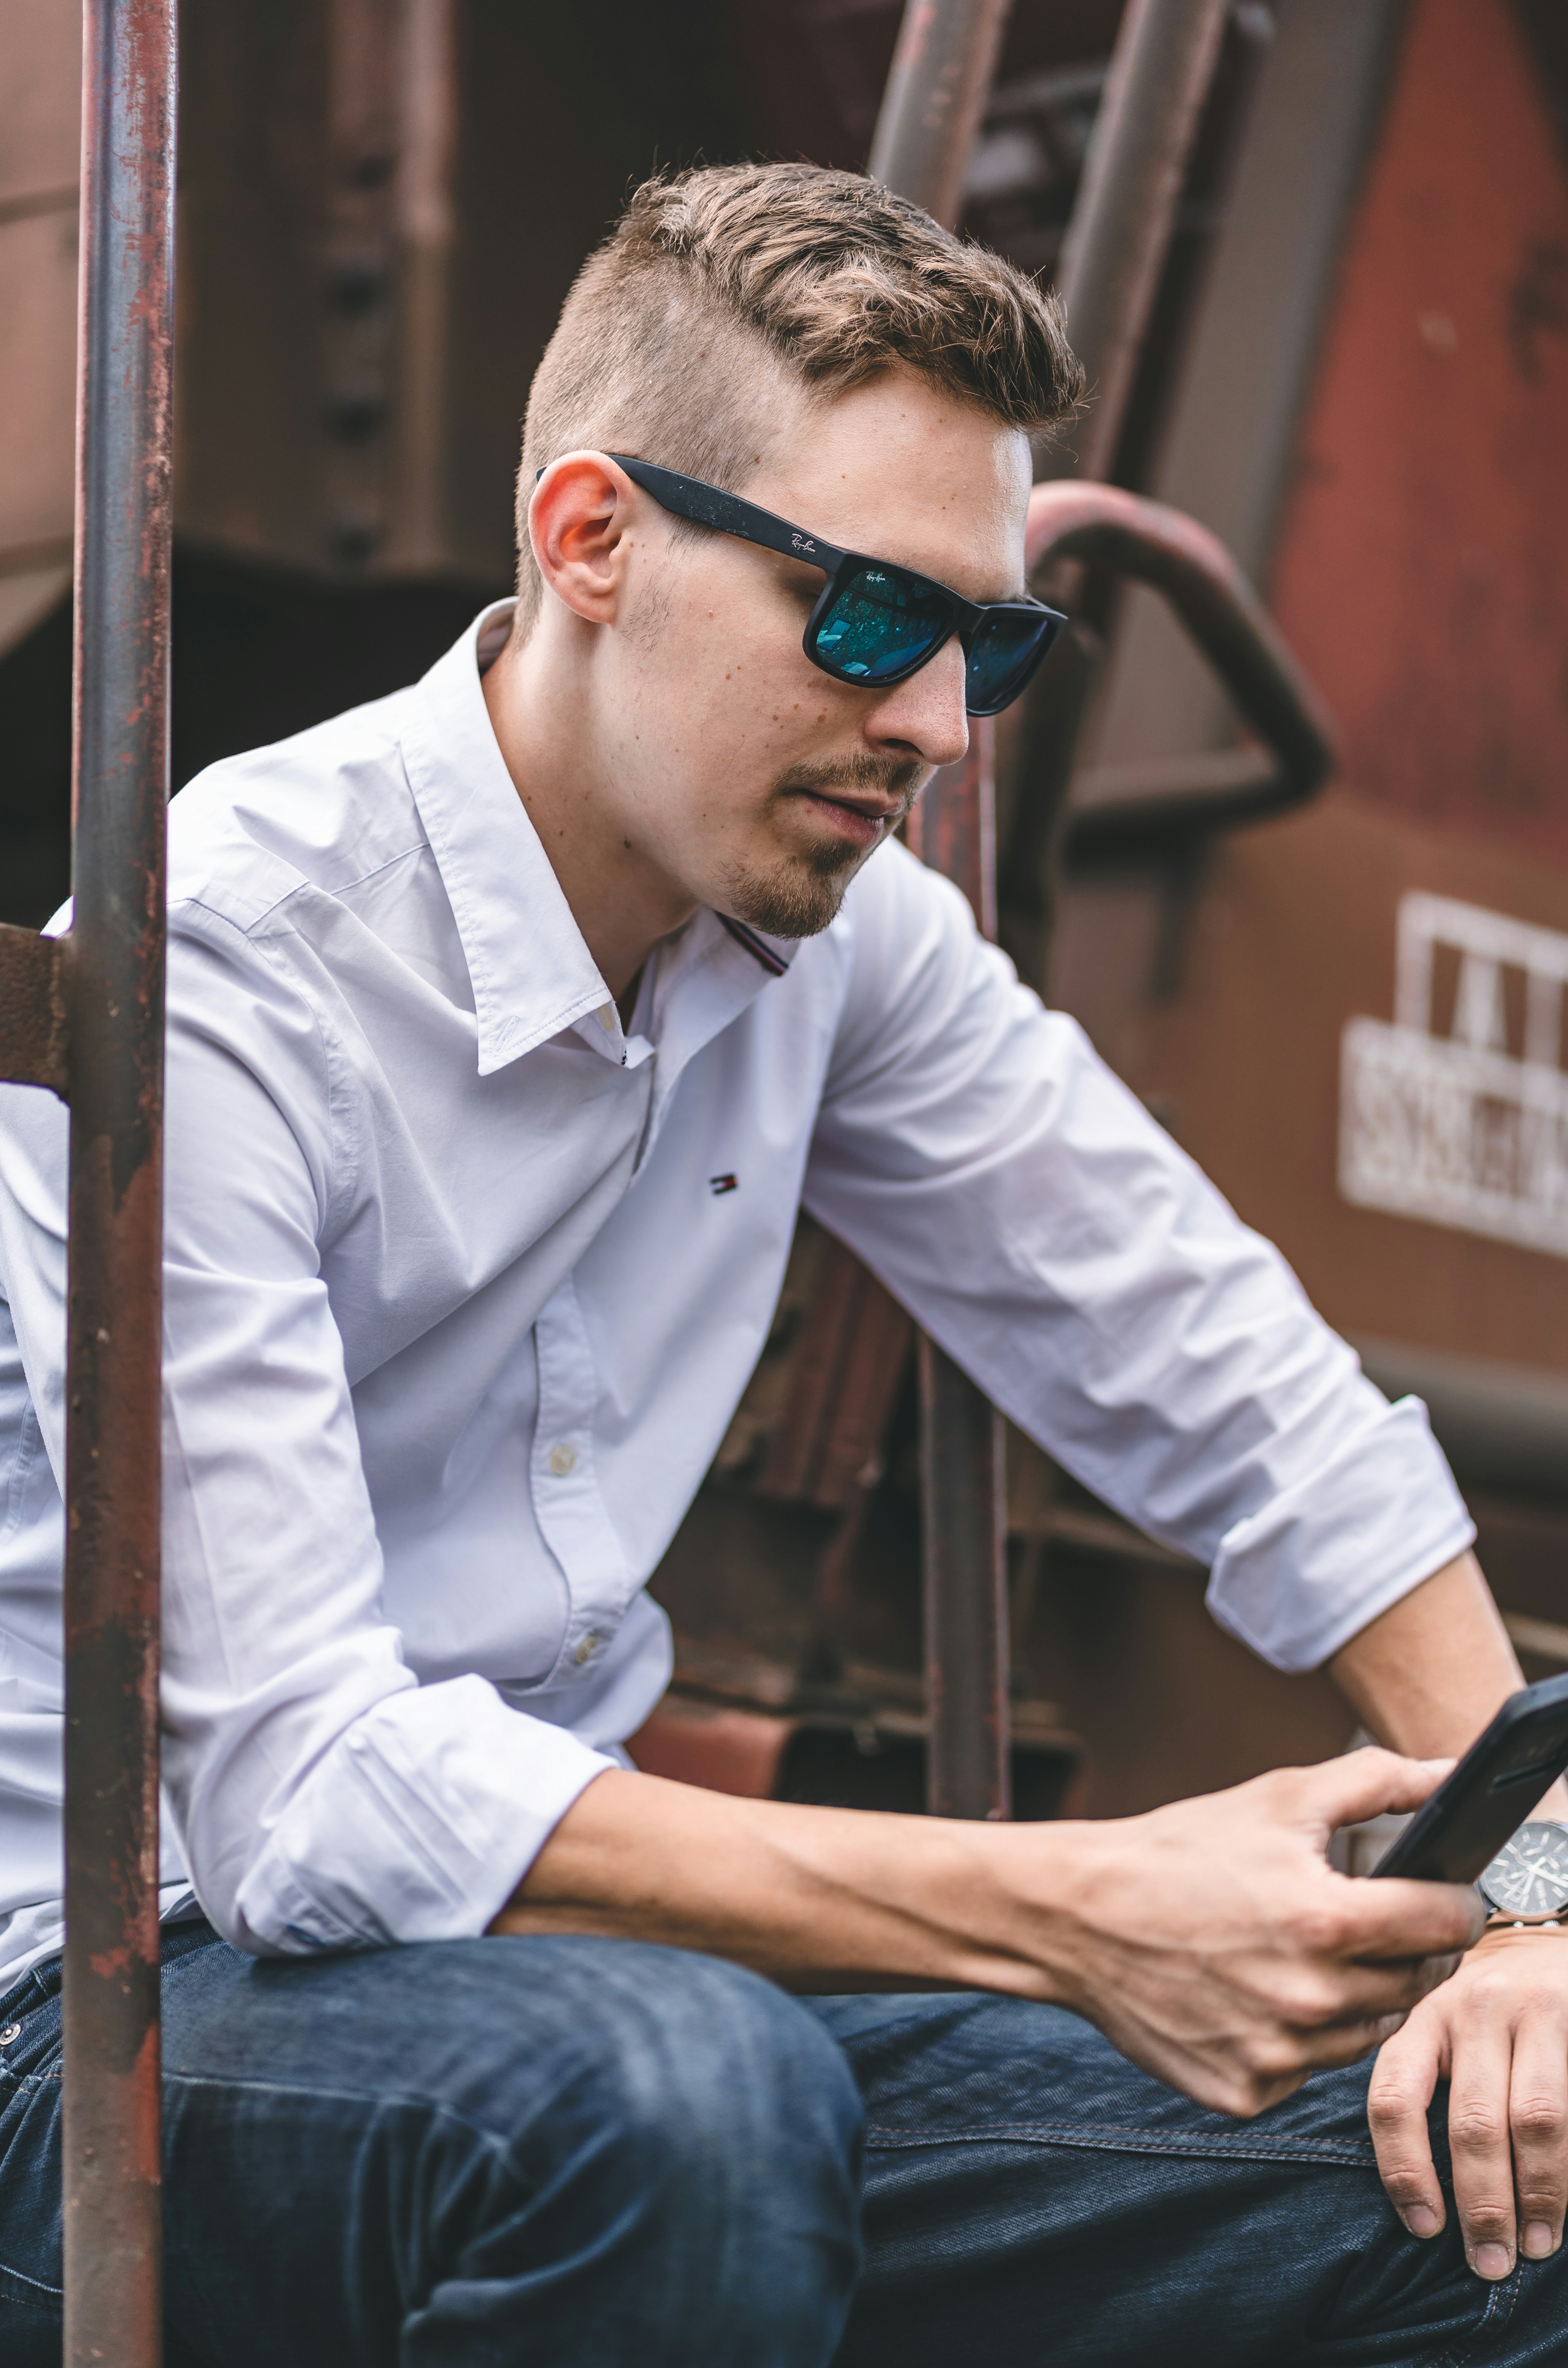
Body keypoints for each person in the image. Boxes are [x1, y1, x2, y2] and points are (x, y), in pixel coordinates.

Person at [0, 161, 1564, 2368]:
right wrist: (1075, 1907)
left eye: (989, 642)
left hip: (590, 1994)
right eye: (864, 614)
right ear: (591, 541)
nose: (938, 719)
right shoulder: (219, 963)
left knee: (1480, 2184)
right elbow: (303, 1795)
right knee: (671, 2101)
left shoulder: (843, 946)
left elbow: (1241, 1398)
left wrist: (1532, 1905)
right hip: (106, 2000)